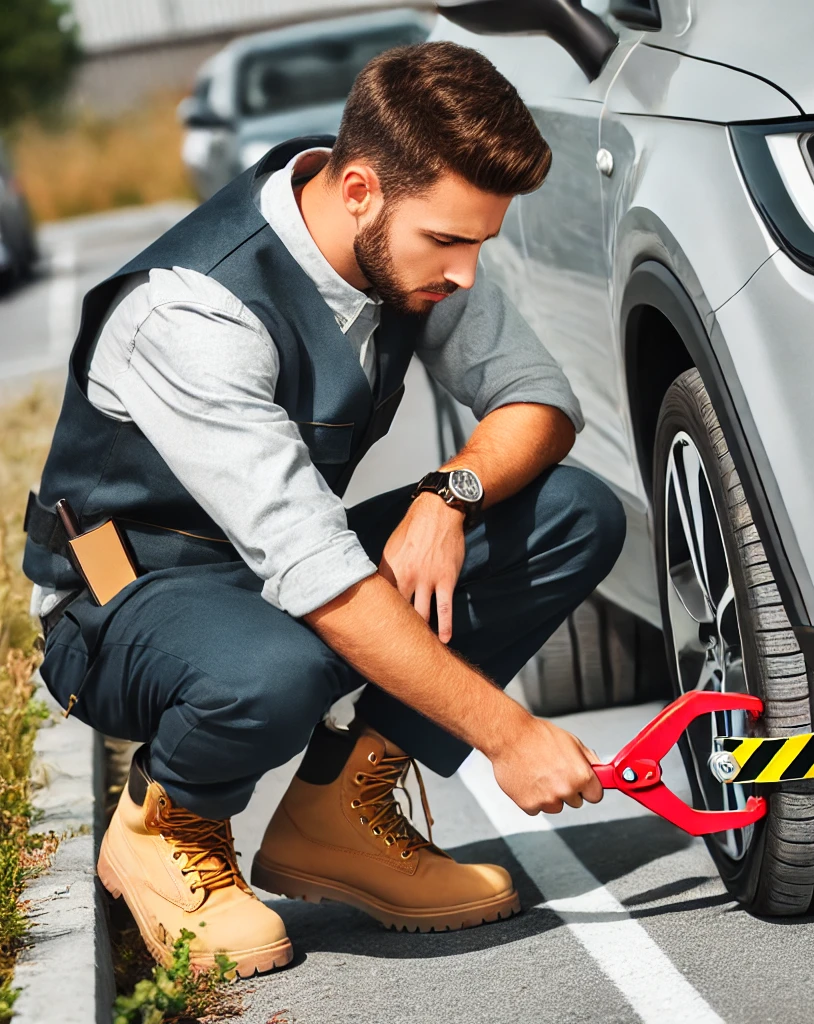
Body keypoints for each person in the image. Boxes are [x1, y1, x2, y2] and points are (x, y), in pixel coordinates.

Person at [23, 40, 625, 976]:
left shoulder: (411, 241)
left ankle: (339, 809)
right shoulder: (193, 312)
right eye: (450, 240)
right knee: (284, 658)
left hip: (278, 568)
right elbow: (319, 580)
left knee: (572, 511)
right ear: (358, 193)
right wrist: (508, 735)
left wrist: (446, 493)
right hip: (122, 594)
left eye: (480, 243)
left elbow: (541, 404)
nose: (466, 272)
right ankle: (162, 822)